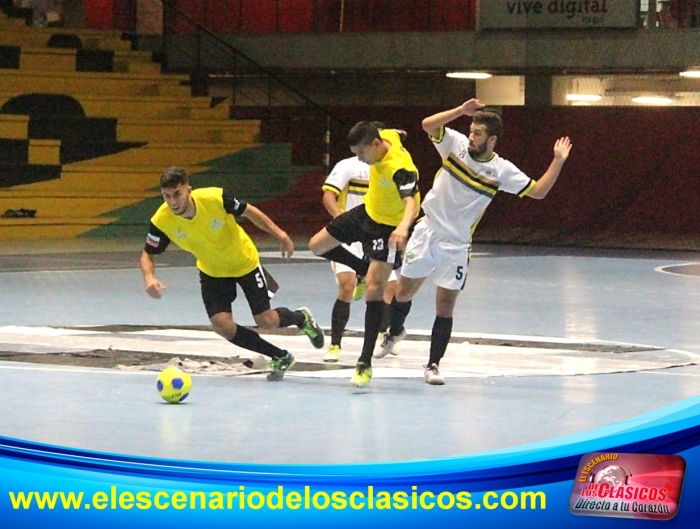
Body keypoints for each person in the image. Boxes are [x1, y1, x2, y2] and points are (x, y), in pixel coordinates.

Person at [378, 99, 573, 385]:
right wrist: (459, 111)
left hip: (455, 245)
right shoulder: (454, 145)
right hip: (426, 231)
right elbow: (427, 125)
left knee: (445, 307)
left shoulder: (502, 171)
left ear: (492, 139)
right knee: (403, 294)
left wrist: (557, 161)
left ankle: (432, 365)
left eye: (478, 134)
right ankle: (395, 331)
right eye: (470, 131)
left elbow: (539, 192)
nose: (471, 136)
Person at [139, 167, 324, 381]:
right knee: (222, 325)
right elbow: (147, 254)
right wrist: (149, 277)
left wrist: (280, 234)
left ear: (189, 190)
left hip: (244, 262)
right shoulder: (161, 221)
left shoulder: (215, 198)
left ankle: (301, 318)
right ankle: (280, 356)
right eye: (166, 196)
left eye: (177, 194)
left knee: (267, 320)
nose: (172, 202)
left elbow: (249, 211)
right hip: (212, 271)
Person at [309, 122, 420, 387]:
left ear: (374, 144)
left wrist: (403, 227)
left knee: (374, 289)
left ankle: (364, 363)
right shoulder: (389, 136)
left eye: (361, 153)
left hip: (387, 227)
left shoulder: (399, 169)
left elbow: (412, 202)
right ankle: (360, 267)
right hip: (366, 214)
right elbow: (401, 132)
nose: (359, 159)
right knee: (316, 245)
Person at [320, 154, 401, 363]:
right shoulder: (348, 165)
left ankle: (384, 333)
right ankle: (335, 345)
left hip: (377, 235)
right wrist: (342, 223)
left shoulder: (392, 168)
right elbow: (328, 195)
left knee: (389, 290)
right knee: (348, 285)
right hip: (352, 236)